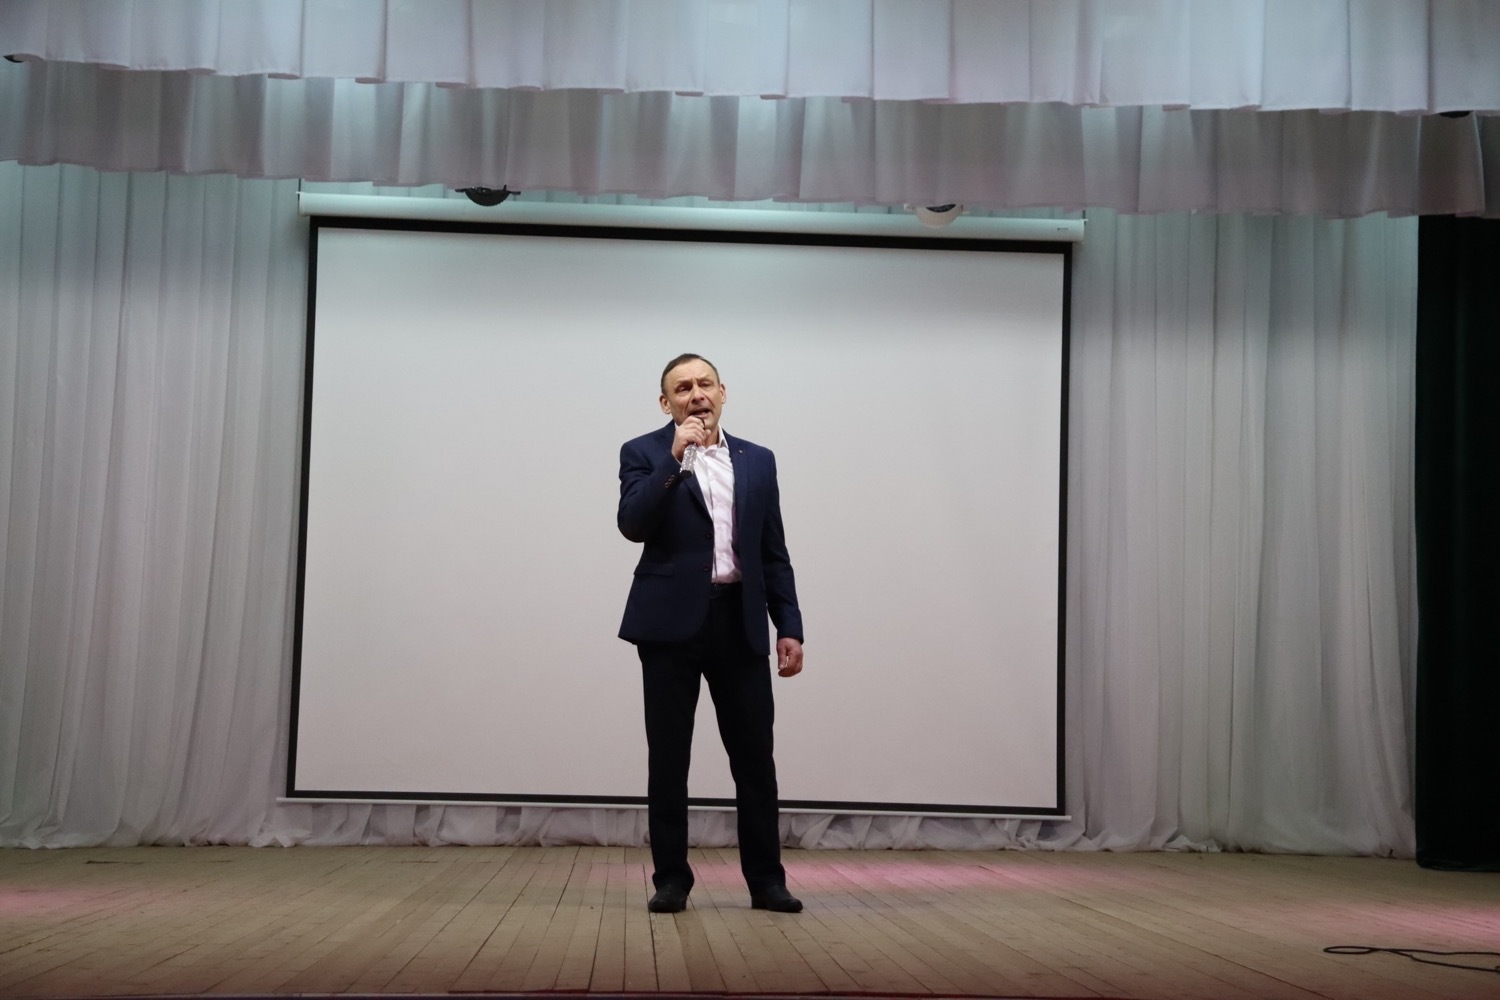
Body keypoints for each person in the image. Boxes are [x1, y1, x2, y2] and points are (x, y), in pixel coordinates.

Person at [617, 353, 805, 914]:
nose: (696, 394)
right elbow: (632, 524)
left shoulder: (758, 460)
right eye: (682, 388)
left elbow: (772, 549)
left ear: (723, 393)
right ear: (666, 403)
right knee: (668, 760)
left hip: (738, 621)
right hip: (668, 627)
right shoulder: (643, 452)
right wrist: (675, 458)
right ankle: (671, 879)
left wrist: (788, 625)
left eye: (705, 384)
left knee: (755, 761)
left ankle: (766, 881)